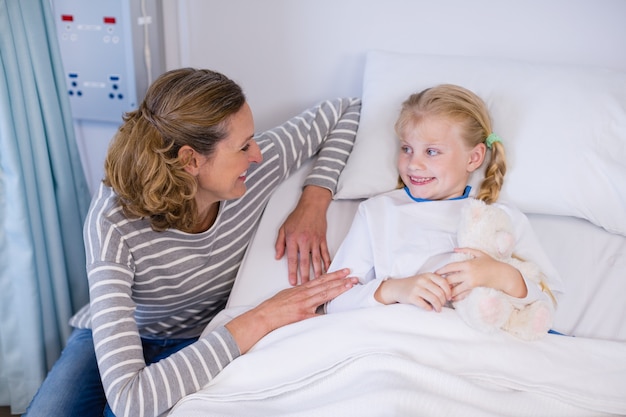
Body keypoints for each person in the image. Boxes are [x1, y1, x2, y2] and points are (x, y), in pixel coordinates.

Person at [23, 68, 361, 417]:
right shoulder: (113, 223)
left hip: (199, 338)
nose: (257, 154)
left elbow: (347, 110)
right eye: (244, 146)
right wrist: (264, 317)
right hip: (125, 335)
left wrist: (315, 199)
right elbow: (130, 398)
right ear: (190, 160)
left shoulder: (258, 169)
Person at [324, 84, 562, 331]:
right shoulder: (377, 213)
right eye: (407, 149)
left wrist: (501, 276)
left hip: (480, 347)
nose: (414, 164)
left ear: (473, 158)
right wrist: (394, 289)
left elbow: (548, 305)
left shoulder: (503, 219)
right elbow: (334, 301)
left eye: (432, 152)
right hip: (404, 338)